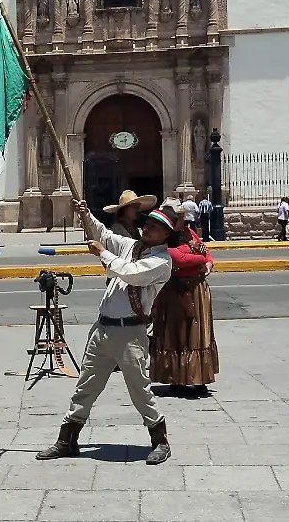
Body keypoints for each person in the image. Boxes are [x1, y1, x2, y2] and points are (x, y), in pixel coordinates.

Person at [38, 198, 176, 466]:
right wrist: (85, 214)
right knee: (86, 386)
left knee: (140, 390)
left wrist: (102, 253)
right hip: (103, 328)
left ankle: (160, 440)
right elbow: (103, 234)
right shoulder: (131, 246)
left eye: (155, 227)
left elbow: (132, 274)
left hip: (130, 334)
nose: (147, 228)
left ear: (166, 235)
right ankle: (67, 439)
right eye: (148, 223)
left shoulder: (161, 262)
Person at [150, 202, 218, 397]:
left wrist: (208, 263)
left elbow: (206, 253)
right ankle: (177, 379)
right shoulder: (165, 240)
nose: (184, 221)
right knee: (177, 334)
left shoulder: (189, 233)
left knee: (198, 334)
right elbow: (178, 258)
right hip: (176, 291)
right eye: (179, 217)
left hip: (197, 290)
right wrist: (200, 258)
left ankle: (199, 377)